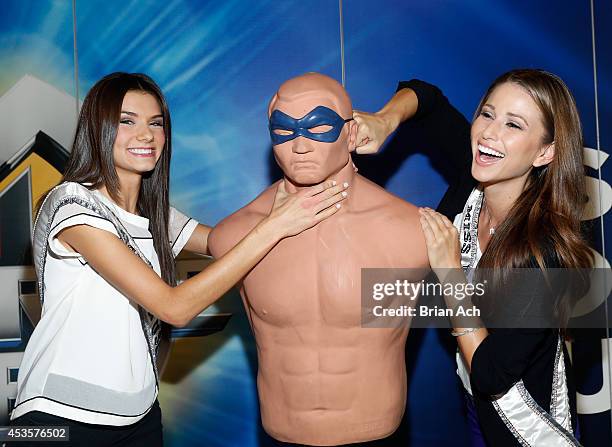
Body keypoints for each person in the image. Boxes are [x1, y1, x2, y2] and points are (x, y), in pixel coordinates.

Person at [8, 72, 347, 446]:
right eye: (127, 121)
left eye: (156, 123)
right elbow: (174, 307)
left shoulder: (154, 212)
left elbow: (222, 241)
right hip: (57, 416)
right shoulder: (71, 203)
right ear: (97, 129)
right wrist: (274, 226)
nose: (146, 135)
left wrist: (291, 186)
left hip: (140, 416)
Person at [354, 69, 592, 446]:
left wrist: (448, 271)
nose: (489, 133)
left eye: (514, 125)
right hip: (477, 411)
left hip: (531, 428)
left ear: (545, 152)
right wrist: (385, 121)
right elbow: (424, 95)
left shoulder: (546, 252)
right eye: (487, 113)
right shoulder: (475, 179)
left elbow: (489, 373)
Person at [208, 72, 429, 446]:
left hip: (377, 436)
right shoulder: (233, 236)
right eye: (284, 130)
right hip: (280, 436)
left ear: (352, 133)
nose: (300, 145)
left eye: (319, 126)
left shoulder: (412, 231)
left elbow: (527, 310)